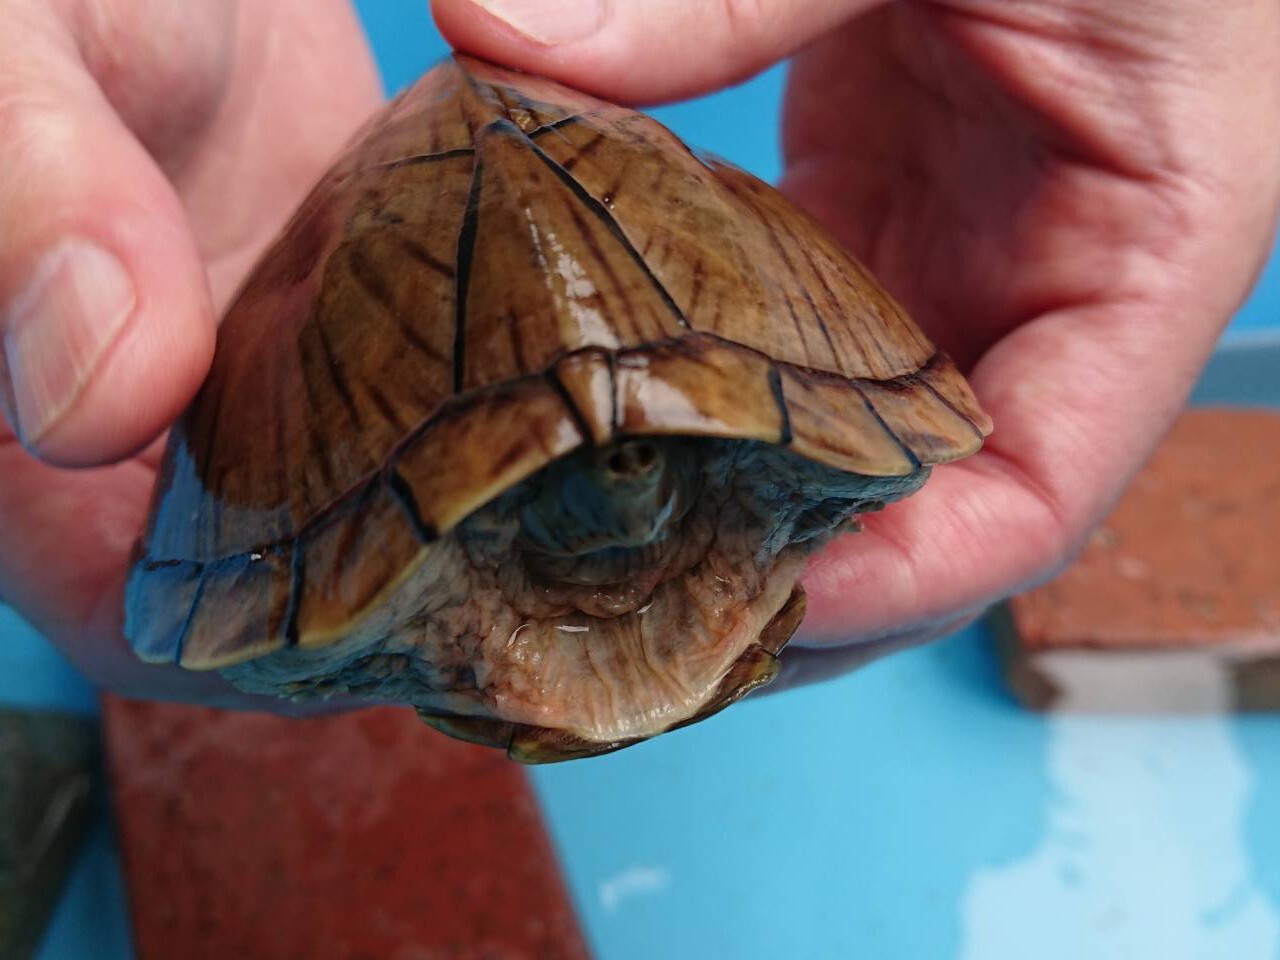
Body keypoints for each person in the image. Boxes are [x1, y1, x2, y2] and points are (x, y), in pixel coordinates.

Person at [1, 0, 1276, 706]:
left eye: (651, 449)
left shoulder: (791, 464)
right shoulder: (402, 586)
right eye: (565, 469)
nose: (613, 463)